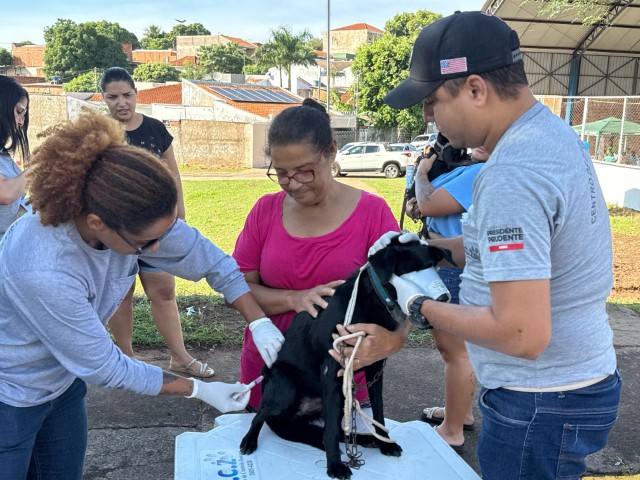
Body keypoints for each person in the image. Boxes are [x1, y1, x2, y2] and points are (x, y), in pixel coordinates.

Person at [331, 12, 620, 479]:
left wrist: (419, 304)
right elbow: (526, 251)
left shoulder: (511, 175)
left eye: (431, 101)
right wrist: (432, 251)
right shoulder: (550, 137)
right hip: (576, 380)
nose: (428, 116)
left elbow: (521, 333)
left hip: (539, 400)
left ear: (475, 89)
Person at [0, 110, 285, 479]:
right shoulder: (43, 267)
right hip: (11, 395)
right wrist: (198, 389)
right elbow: (105, 366)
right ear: (96, 223)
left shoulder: (132, 217)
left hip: (63, 384)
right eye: (145, 243)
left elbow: (211, 261)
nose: (157, 251)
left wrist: (259, 321)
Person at [233, 98, 399, 410]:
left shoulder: (373, 214)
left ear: (331, 151)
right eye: (280, 172)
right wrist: (293, 299)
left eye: (304, 171)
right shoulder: (265, 212)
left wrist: (393, 338)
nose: (292, 184)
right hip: (271, 374)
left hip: (342, 377)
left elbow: (402, 295)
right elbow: (237, 288)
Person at [99, 67, 211, 377]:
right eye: (113, 97)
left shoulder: (155, 130)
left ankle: (180, 357)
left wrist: (179, 216)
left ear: (136, 94)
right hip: (116, 232)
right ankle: (126, 359)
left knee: (163, 291)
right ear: (104, 99)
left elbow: (172, 174)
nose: (121, 102)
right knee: (121, 294)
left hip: (156, 229)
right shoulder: (99, 132)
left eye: (127, 95)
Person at [405, 144, 489, 453]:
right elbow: (424, 204)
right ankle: (459, 413)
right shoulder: (468, 169)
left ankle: (452, 430)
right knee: (454, 350)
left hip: (453, 266)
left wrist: (422, 172)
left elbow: (428, 203)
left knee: (455, 351)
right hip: (445, 260)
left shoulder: (478, 172)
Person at [0, 75, 30, 240]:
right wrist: (42, 165)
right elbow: (5, 193)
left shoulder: (4, 156)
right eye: (19, 112)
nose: (21, 121)